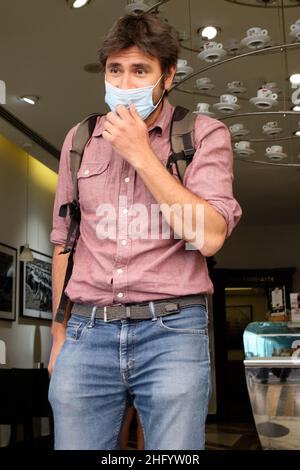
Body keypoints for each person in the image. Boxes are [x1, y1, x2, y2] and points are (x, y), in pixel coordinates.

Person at [48, 13, 242, 450]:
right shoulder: (79, 139)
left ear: (167, 76)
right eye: (115, 69)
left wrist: (142, 154)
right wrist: (59, 336)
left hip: (172, 331)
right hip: (86, 332)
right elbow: (65, 239)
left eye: (140, 70)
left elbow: (209, 236)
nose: (125, 81)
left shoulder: (203, 134)